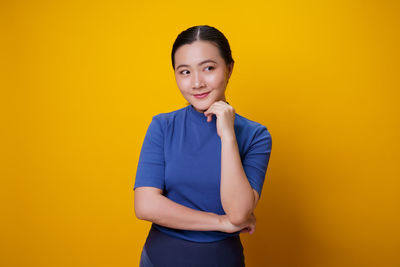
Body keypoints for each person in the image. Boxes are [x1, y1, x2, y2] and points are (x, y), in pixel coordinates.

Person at [133, 25, 272, 267]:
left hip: (221, 260)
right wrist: (221, 223)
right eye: (185, 72)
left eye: (208, 68)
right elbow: (145, 205)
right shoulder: (163, 126)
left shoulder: (255, 135)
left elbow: (238, 213)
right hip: (159, 259)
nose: (197, 83)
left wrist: (227, 135)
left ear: (229, 68)